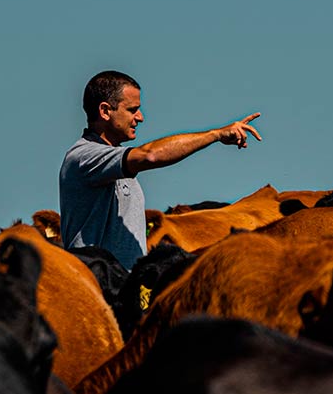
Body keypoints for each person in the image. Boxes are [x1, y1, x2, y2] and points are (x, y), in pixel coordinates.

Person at [59, 70, 261, 269]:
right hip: (98, 287)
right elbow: (150, 155)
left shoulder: (114, 160)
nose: (140, 118)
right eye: (132, 110)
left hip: (122, 286)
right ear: (105, 111)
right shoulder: (84, 156)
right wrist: (216, 135)